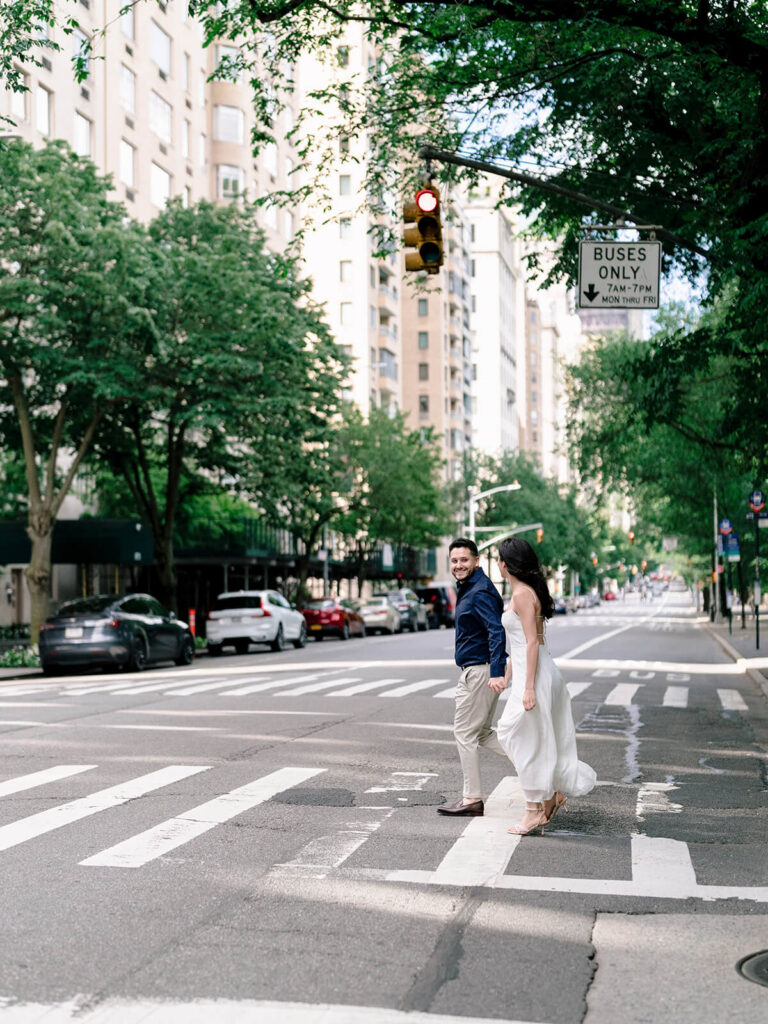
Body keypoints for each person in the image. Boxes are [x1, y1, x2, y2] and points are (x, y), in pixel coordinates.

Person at [495, 537, 596, 835]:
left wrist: (527, 687)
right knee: (524, 738)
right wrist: (509, 676)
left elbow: (530, 642)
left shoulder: (523, 595)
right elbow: (522, 644)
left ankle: (533, 811)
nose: (499, 564)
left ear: (508, 564)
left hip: (536, 676)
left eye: (501, 559)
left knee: (520, 739)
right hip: (535, 671)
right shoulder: (524, 592)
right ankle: (549, 796)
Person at [437, 538, 508, 817]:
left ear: (476, 561)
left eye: (464, 560)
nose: (458, 565)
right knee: (482, 733)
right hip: (479, 669)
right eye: (454, 561)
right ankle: (532, 762)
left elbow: (496, 631)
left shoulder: (479, 591)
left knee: (464, 734)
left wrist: (497, 672)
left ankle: (471, 799)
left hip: (479, 671)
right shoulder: (471, 588)